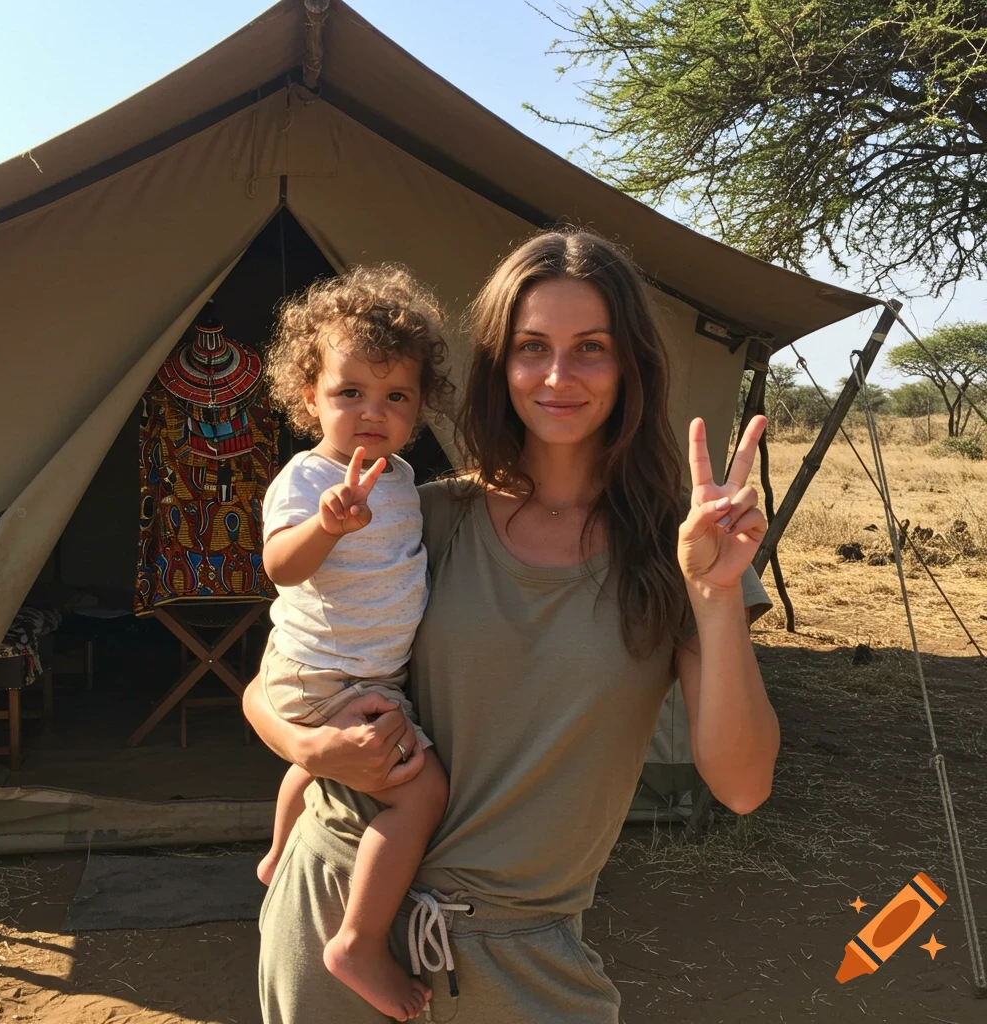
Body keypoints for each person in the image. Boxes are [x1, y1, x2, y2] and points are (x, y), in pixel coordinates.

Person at [243, 228, 781, 1023]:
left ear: (632, 363)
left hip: (523, 959)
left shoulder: (679, 551)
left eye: (591, 346)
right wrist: (310, 749)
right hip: (338, 898)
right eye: (533, 346)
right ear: (500, 364)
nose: (558, 375)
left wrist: (713, 595)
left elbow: (741, 786)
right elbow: (270, 682)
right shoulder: (425, 517)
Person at [256, 265, 453, 1021]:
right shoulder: (307, 479)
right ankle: (358, 943)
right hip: (323, 674)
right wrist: (327, 527)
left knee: (314, 769)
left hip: (354, 671)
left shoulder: (403, 477)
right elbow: (279, 566)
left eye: (395, 396)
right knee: (421, 791)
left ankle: (277, 853)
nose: (373, 413)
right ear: (309, 398)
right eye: (350, 394)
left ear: (419, 406)